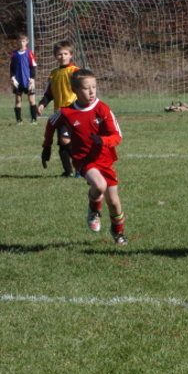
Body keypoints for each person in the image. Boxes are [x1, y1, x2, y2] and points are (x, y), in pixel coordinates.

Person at [41, 69, 128, 246]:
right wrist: (46, 147)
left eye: (94, 87)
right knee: (99, 185)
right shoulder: (67, 112)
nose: (91, 92)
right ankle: (94, 210)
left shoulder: (103, 109)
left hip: (105, 160)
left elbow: (117, 136)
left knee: (113, 202)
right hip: (84, 160)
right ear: (75, 90)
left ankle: (117, 232)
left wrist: (103, 140)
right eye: (86, 88)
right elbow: (51, 123)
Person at [37, 40, 80, 177]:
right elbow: (48, 94)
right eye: (59, 54)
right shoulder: (53, 74)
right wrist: (42, 104)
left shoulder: (76, 72)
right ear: (55, 56)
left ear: (71, 55)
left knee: (65, 139)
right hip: (59, 113)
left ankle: (81, 166)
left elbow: (83, 90)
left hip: (73, 112)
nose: (62, 56)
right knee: (62, 144)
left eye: (65, 54)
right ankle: (68, 171)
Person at [9, 33, 38, 125]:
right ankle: (19, 120)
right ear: (17, 42)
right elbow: (11, 67)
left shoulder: (29, 53)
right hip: (18, 81)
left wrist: (32, 79)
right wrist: (12, 77)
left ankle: (34, 120)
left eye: (23, 41)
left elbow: (33, 66)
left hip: (28, 81)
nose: (22, 43)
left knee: (31, 100)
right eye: (20, 41)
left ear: (27, 42)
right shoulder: (14, 54)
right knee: (18, 100)